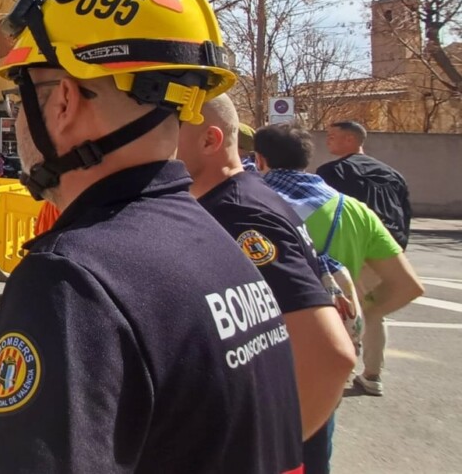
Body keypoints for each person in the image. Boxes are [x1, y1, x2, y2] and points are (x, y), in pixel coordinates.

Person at [0, 0, 304, 473]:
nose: (16, 120)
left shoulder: (72, 279)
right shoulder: (218, 243)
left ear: (64, 101)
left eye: (19, 100)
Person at [176, 95, 356, 472]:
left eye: (168, 130)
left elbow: (332, 355)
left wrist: (272, 452)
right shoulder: (243, 197)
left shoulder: (238, 214)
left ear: (209, 140)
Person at [254, 123, 425, 399]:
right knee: (322, 419)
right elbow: (408, 286)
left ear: (260, 160)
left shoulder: (247, 204)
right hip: (331, 350)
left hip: (266, 352)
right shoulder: (357, 210)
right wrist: (364, 312)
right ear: (305, 159)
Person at [318, 121, 413, 250]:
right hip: (392, 241)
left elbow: (323, 211)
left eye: (331, 137)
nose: (327, 141)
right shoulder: (394, 174)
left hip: (354, 244)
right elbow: (405, 213)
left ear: (349, 139)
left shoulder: (333, 171)